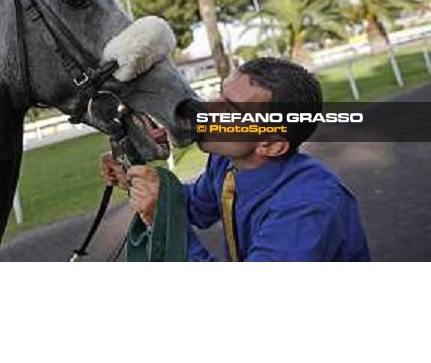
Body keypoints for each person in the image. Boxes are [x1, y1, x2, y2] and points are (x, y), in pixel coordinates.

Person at [100, 57, 371, 261]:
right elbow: (194, 206)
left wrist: (165, 223)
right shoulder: (227, 163)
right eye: (220, 94)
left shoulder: (308, 207)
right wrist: (133, 176)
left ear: (271, 145)